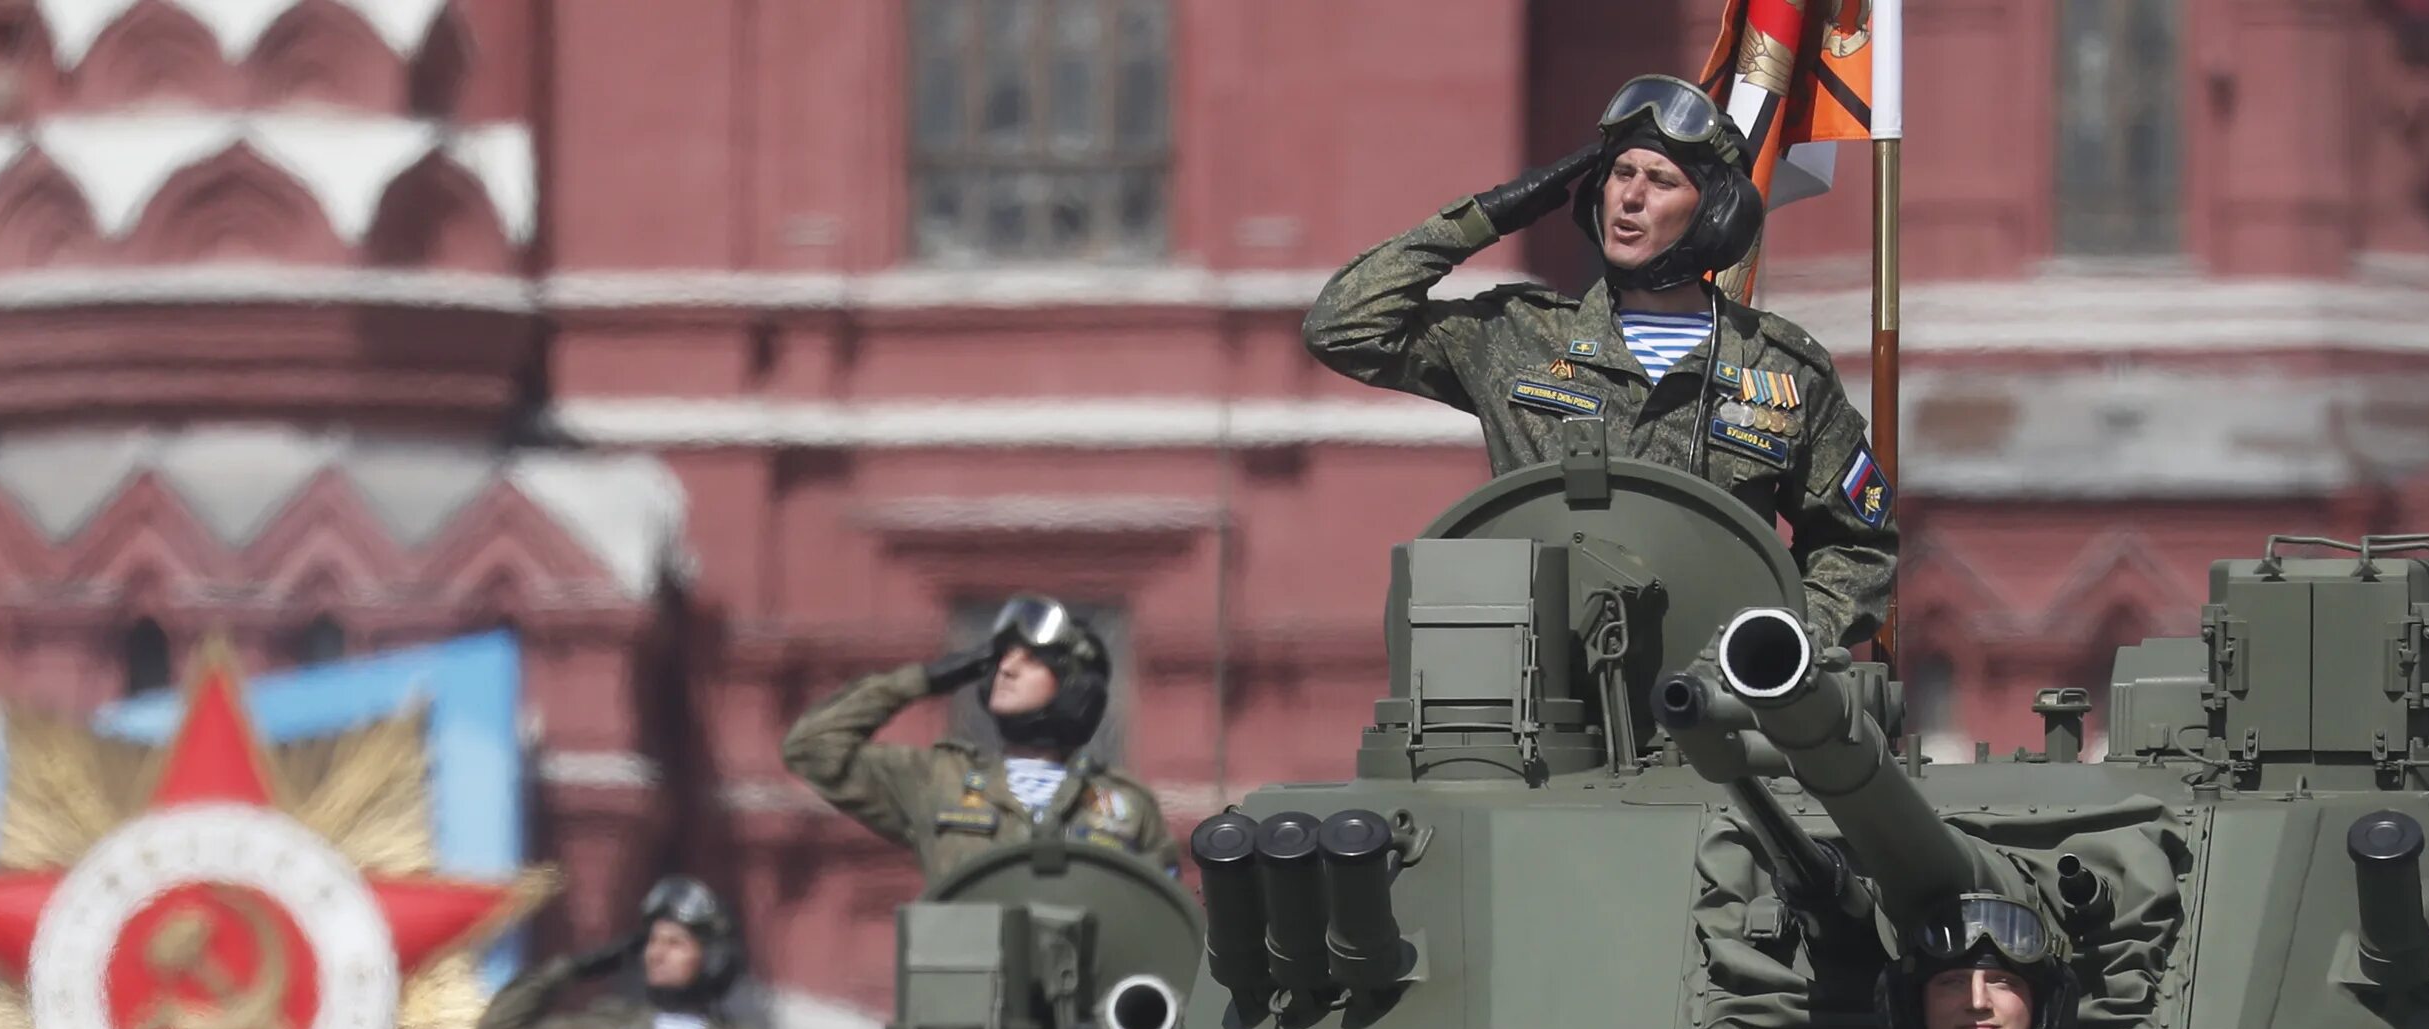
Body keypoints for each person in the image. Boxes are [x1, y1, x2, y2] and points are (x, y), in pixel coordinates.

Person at [1304, 74, 1896, 654]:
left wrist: (1781, 645)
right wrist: (1488, 216)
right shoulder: (1519, 336)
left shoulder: (1782, 369)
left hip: (1719, 708)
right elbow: (1344, 325)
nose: (1630, 197)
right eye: (1620, 173)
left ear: (1714, 214)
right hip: (1546, 698)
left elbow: (1857, 546)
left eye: (1661, 180)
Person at [782, 593, 1182, 881]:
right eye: (1001, 661)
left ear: (1072, 687)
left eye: (1028, 662)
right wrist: (926, 679)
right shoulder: (938, 779)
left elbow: (1161, 917)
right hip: (966, 990)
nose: (1005, 671)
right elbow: (811, 748)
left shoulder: (1124, 805)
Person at [477, 875, 780, 1029]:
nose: (656, 954)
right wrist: (571, 969)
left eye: (675, 943)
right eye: (652, 942)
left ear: (712, 958)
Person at [1881, 892, 2079, 1029]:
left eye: (2002, 982)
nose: (1978, 1003)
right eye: (1953, 983)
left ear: (2044, 1005)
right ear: (1914, 1003)